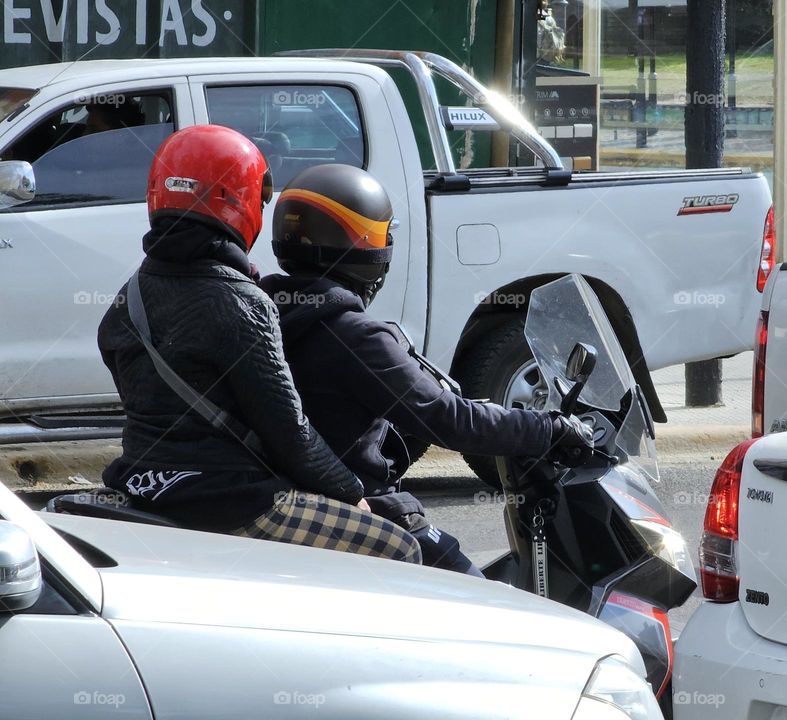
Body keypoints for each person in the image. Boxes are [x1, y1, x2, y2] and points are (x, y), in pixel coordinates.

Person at [97, 125, 420, 564]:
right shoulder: (243, 302)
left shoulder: (126, 297)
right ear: (239, 201)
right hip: (229, 498)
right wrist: (353, 493)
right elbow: (291, 432)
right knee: (398, 547)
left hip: (142, 484)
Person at [260, 164, 594, 575]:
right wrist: (548, 429)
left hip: (301, 499)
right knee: (477, 594)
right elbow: (448, 419)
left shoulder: (268, 311)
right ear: (366, 243)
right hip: (363, 505)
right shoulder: (353, 335)